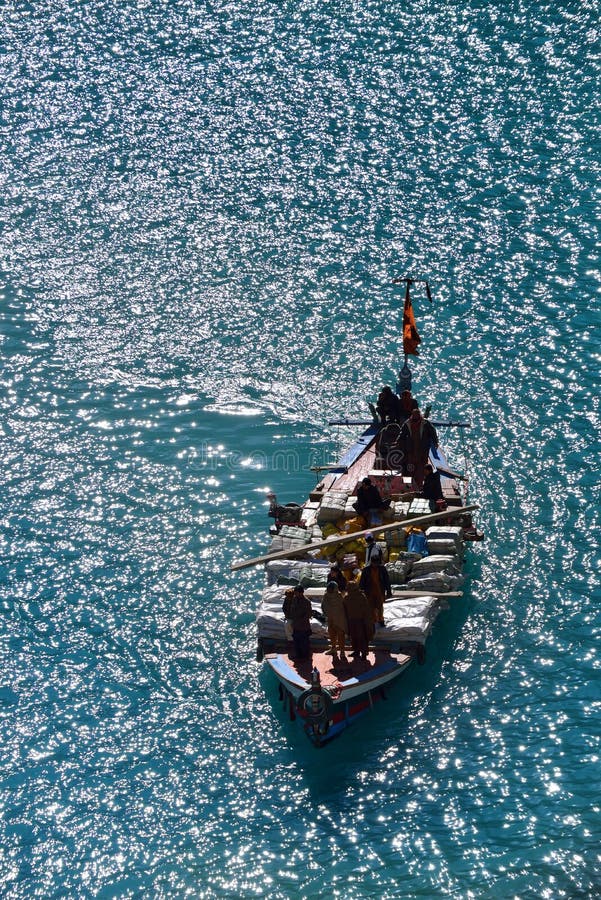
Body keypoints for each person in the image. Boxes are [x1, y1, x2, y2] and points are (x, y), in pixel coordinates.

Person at [398, 408, 439, 486]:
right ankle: (410, 484)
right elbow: (402, 434)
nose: (415, 417)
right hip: (411, 449)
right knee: (410, 466)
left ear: (419, 415)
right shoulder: (407, 423)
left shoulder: (426, 423)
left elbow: (432, 432)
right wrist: (398, 441)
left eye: (417, 415)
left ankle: (422, 483)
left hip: (423, 449)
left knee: (422, 466)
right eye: (414, 415)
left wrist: (435, 441)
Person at [360, 539, 392, 627]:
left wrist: (388, 591)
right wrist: (361, 590)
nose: (375, 565)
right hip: (369, 592)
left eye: (376, 563)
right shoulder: (366, 570)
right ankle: (373, 620)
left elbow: (387, 581)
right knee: (371, 607)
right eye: (374, 563)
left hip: (379, 591)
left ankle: (381, 620)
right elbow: (362, 581)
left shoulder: (382, 569)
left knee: (380, 606)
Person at [285, 585, 318, 660]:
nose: (295, 594)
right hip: (296, 625)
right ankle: (298, 655)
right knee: (296, 642)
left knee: (304, 643)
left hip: (303, 626)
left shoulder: (306, 602)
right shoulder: (294, 599)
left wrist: (300, 619)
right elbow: (292, 610)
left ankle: (305, 656)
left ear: (301, 593)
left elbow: (308, 614)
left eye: (296, 592)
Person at [343, 581, 373, 661]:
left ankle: (363, 653)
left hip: (360, 620)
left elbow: (366, 610)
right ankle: (356, 651)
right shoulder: (347, 597)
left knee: (361, 637)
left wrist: (367, 620)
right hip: (351, 620)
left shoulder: (360, 596)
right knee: (354, 637)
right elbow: (345, 609)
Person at [321, 581, 348, 661]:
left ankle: (342, 651)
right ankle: (333, 648)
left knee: (340, 636)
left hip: (339, 620)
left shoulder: (340, 596)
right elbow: (324, 607)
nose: (329, 590)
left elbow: (344, 607)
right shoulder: (326, 596)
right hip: (331, 620)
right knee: (332, 635)